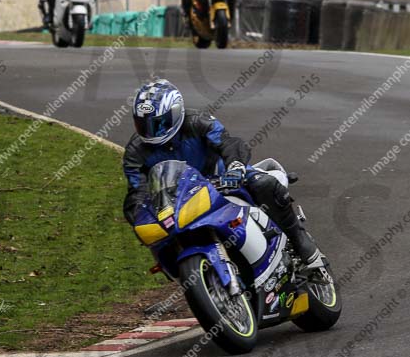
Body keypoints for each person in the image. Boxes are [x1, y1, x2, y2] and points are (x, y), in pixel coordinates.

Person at [122, 79, 324, 269]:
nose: (151, 132)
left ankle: (298, 238)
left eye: (158, 124)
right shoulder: (135, 151)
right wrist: (139, 213)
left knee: (262, 184)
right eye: (143, 125)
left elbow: (228, 142)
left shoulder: (198, 122)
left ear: (175, 113)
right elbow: (136, 190)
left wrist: (235, 166)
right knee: (161, 242)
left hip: (221, 179)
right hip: (179, 200)